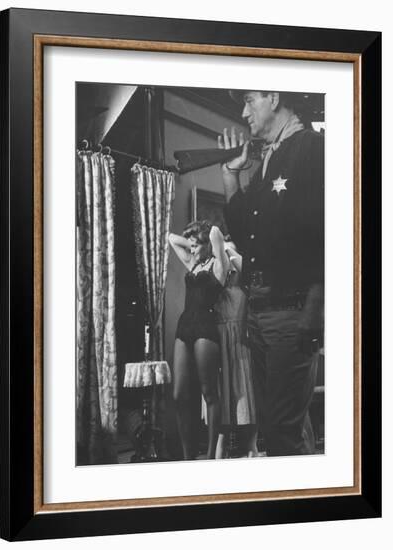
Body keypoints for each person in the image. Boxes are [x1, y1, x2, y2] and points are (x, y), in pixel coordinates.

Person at [218, 90, 324, 456]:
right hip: (262, 312)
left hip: (291, 311)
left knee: (282, 436)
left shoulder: (315, 148)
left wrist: (317, 307)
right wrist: (232, 174)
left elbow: (337, 231)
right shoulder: (267, 159)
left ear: (274, 98)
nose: (244, 112)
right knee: (281, 431)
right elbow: (246, 234)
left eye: (250, 100)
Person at [168, 221, 227, 460]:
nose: (190, 249)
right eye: (190, 246)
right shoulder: (193, 262)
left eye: (195, 245)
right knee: (179, 395)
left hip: (206, 327)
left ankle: (211, 455)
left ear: (207, 245)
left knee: (209, 393)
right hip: (185, 327)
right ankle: (188, 456)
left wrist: (202, 236)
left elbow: (214, 234)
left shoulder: (219, 264)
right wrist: (193, 240)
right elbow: (172, 238)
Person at [213, 235, 258, 459]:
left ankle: (251, 444)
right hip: (220, 343)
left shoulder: (244, 287)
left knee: (243, 389)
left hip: (241, 344)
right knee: (224, 392)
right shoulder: (218, 283)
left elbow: (245, 267)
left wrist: (231, 252)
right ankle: (222, 441)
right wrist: (221, 249)